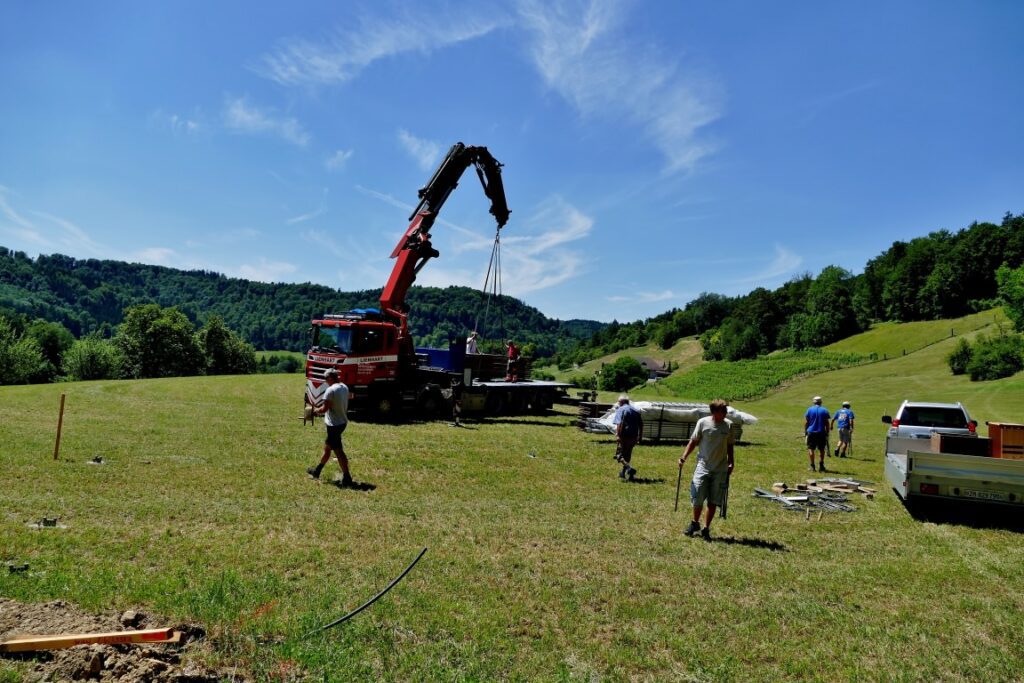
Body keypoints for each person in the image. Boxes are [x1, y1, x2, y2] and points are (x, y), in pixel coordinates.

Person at [679, 399, 734, 540]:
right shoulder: (703, 423)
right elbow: (693, 441)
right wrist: (683, 457)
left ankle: (706, 528)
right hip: (703, 466)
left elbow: (730, 445)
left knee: (713, 500)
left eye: (726, 411)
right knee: (697, 496)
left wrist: (731, 462)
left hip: (720, 469)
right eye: (723, 411)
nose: (726, 413)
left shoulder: (728, 426)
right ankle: (694, 523)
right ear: (714, 412)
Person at [307, 368, 354, 486]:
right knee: (328, 448)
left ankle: (347, 477)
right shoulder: (344, 387)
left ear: (331, 378)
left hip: (334, 425)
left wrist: (314, 412)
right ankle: (317, 471)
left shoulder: (330, 390)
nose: (325, 381)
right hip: (342, 422)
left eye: (326, 379)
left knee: (338, 451)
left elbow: (324, 409)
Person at [612, 394, 643, 481]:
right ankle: (625, 474)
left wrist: (618, 435)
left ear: (622, 402)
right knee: (628, 455)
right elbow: (641, 424)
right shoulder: (636, 410)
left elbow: (619, 423)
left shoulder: (621, 409)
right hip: (633, 437)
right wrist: (640, 436)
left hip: (624, 436)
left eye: (619, 402)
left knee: (619, 455)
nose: (618, 404)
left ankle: (629, 469)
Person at [804, 395, 831, 472]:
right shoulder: (825, 410)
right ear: (821, 402)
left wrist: (805, 431)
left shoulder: (809, 410)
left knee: (811, 449)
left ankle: (812, 466)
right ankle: (821, 465)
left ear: (813, 402)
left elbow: (806, 422)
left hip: (811, 432)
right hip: (821, 432)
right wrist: (827, 432)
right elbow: (827, 423)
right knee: (822, 449)